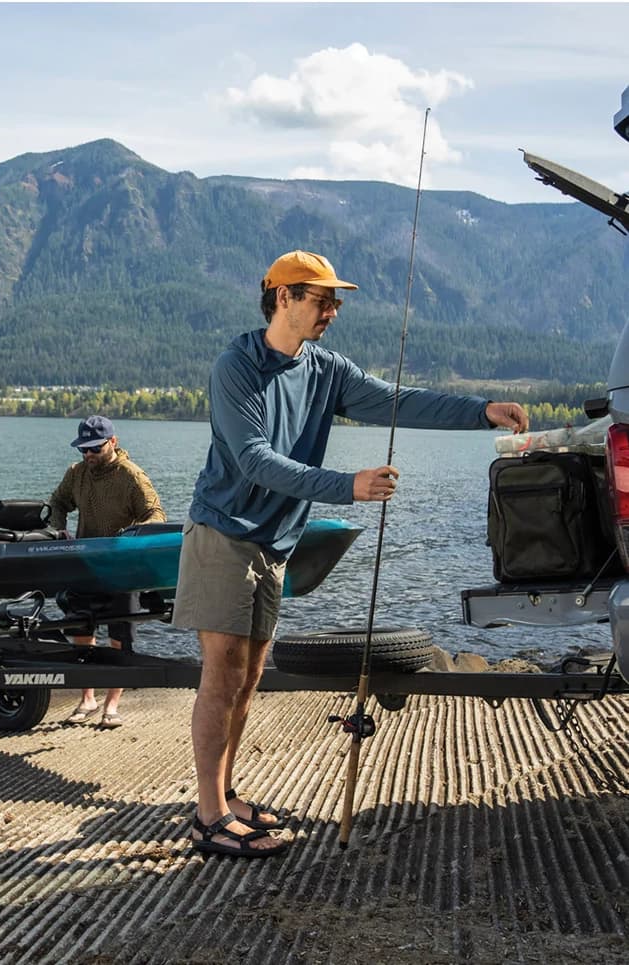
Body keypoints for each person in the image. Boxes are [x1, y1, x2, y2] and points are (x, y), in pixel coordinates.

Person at [173, 249, 529, 858]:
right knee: (222, 671)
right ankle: (208, 815)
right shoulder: (237, 367)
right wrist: (348, 485)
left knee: (251, 675)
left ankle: (227, 794)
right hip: (225, 533)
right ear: (282, 297)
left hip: (275, 541)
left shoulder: (325, 368)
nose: (332, 311)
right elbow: (255, 459)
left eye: (335, 301)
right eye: (321, 299)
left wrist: (481, 412)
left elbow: (397, 400)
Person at [49, 415, 167, 728]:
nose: (88, 455)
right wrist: (58, 530)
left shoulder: (132, 476)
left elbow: (156, 515)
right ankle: (87, 698)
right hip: (86, 566)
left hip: (124, 571)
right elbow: (57, 503)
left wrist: (132, 535)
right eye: (83, 449)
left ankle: (111, 705)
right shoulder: (77, 474)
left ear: (112, 442)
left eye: (95, 449)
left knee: (120, 638)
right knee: (81, 633)